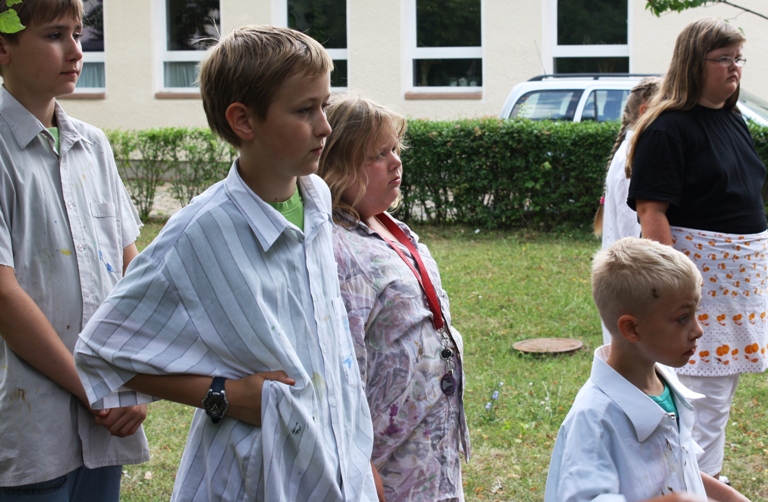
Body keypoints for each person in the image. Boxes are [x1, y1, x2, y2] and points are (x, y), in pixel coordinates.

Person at [74, 26, 378, 501]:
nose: (325, 126)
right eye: (305, 110)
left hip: (332, 465)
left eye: (324, 105)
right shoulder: (200, 230)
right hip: (253, 478)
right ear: (243, 121)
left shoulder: (317, 197)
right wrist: (225, 395)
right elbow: (101, 351)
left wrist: (357, 459)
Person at [0, 0, 149, 500]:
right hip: (28, 429)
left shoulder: (93, 146)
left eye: (78, 34)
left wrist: (134, 376)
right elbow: (5, 297)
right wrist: (94, 388)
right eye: (53, 35)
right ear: (3, 47)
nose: (76, 51)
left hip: (108, 423)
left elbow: (132, 275)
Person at [627, 17, 768, 483]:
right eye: (723, 59)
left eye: (738, 58)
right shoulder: (669, 128)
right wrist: (673, 293)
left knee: (718, 395)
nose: (734, 68)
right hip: (701, 292)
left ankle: (705, 478)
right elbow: (652, 211)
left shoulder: (731, 118)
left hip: (738, 294)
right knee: (696, 394)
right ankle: (690, 483)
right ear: (693, 63)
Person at [318, 94, 470, 502]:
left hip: (427, 443)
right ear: (336, 164)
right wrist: (358, 459)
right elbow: (341, 363)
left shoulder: (390, 227)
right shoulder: (337, 249)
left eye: (395, 149)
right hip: (386, 458)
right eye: (377, 154)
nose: (395, 162)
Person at [545, 237, 749, 502]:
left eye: (696, 312)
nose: (698, 330)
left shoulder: (664, 380)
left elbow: (677, 463)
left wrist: (728, 495)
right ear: (631, 329)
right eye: (682, 318)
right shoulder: (594, 420)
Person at [597, 76, 661, 344]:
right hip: (631, 280)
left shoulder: (631, 150)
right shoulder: (633, 158)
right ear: (645, 111)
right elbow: (632, 228)